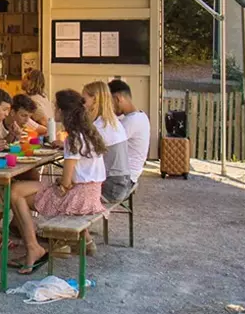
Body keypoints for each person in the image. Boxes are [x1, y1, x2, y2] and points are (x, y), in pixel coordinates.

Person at [9, 89, 107, 274]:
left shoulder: (73, 139)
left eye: (55, 106)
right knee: (19, 189)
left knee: (15, 192)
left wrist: (57, 186)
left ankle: (33, 248)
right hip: (92, 195)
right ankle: (80, 241)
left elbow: (66, 183)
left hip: (77, 198)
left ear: (63, 111)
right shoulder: (88, 134)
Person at [82, 81, 130, 203]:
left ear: (95, 100)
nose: (81, 103)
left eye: (84, 99)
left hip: (111, 187)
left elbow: (80, 151)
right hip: (122, 182)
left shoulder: (100, 126)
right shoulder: (111, 121)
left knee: (67, 193)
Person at [108, 79, 151, 186]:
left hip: (122, 180)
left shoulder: (131, 121)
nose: (108, 108)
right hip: (128, 175)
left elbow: (104, 143)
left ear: (117, 98)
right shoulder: (140, 116)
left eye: (109, 103)